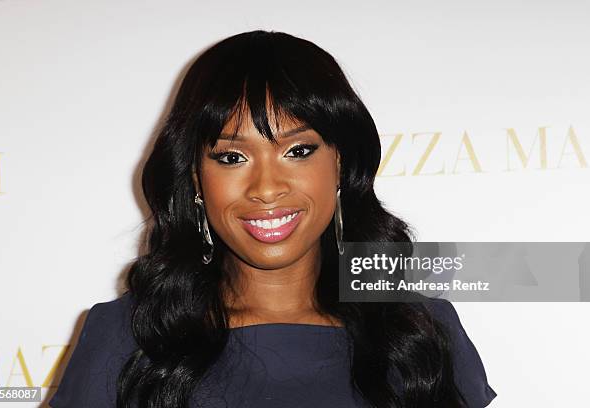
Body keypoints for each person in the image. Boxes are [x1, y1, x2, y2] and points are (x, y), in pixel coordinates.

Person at [49, 30, 497, 408]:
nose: (266, 187)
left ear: (340, 164)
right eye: (232, 156)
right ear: (195, 179)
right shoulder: (127, 336)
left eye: (298, 151)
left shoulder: (421, 332)